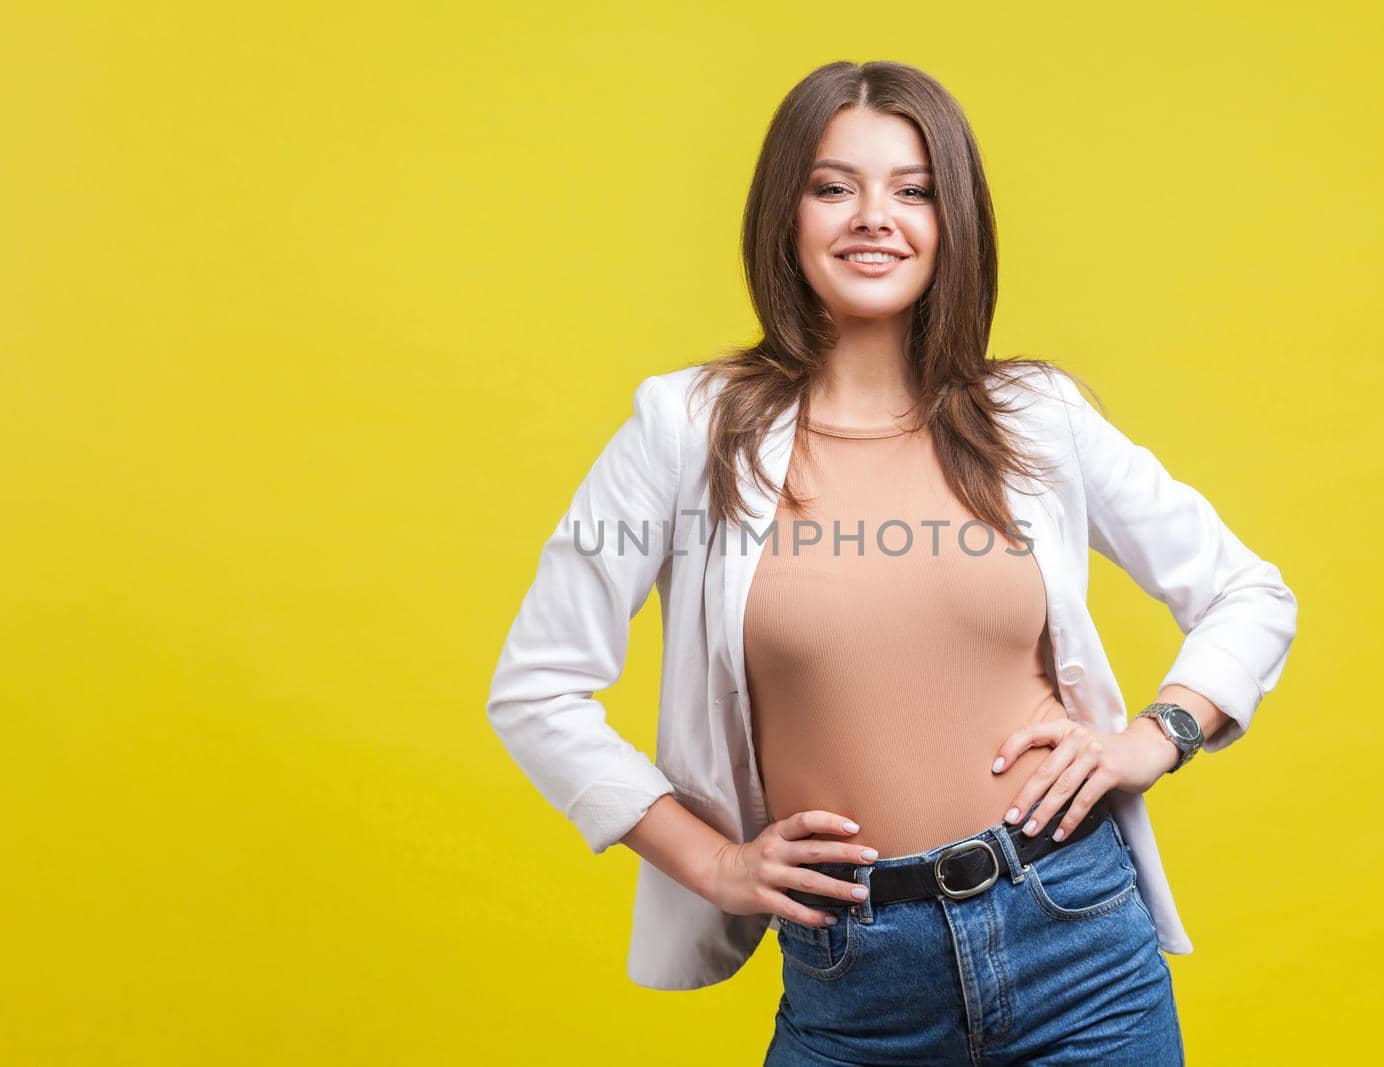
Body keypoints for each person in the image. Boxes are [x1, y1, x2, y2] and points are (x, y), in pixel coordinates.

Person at [486, 60, 1297, 1065]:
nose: (875, 216)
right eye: (835, 187)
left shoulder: (1034, 416)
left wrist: (1155, 735)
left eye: (912, 190)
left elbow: (1247, 593)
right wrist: (715, 861)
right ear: (785, 215)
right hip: (852, 976)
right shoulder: (683, 429)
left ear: (952, 220)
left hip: (1076, 939)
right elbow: (537, 686)